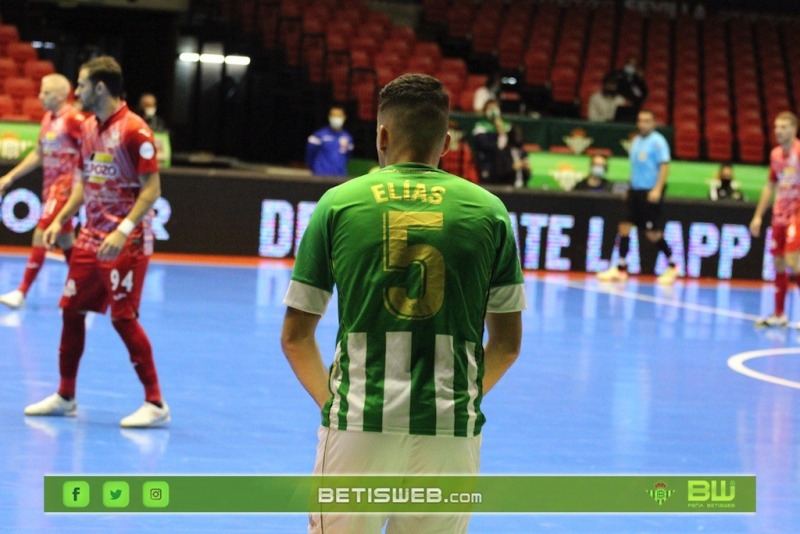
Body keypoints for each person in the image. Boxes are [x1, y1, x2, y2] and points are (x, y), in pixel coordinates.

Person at [281, 73, 525, 533]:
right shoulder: (489, 211)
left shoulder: (338, 204)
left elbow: (295, 338)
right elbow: (507, 345)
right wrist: (456, 399)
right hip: (450, 431)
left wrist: (334, 402)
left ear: (382, 136)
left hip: (359, 421)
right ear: (447, 142)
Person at [24, 56, 169, 428]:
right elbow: (83, 184)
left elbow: (152, 190)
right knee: (71, 311)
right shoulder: (88, 127)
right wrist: (60, 219)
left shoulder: (136, 131)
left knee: (123, 319)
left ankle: (155, 403)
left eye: (83, 84)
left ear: (100, 88)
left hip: (127, 242)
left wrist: (123, 230)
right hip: (90, 238)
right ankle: (65, 395)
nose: (78, 90)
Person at [0, 74, 87, 309]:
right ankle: (85, 290)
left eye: (45, 93)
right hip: (50, 187)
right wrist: (10, 176)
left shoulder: (74, 119)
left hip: (66, 187)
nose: (39, 97)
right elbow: (38, 154)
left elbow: (91, 147)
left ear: (60, 95)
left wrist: (85, 184)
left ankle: (21, 292)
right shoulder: (48, 118)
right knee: (66, 240)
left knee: (42, 233)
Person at [597, 109, 679, 284]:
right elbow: (636, 168)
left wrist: (657, 189)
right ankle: (620, 269)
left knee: (652, 233)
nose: (643, 124)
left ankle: (673, 266)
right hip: (635, 190)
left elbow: (664, 166)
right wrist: (630, 187)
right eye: (640, 120)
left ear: (654, 122)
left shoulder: (658, 142)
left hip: (650, 191)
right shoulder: (635, 141)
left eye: (647, 120)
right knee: (624, 226)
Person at [749, 112, 800, 327]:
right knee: (778, 263)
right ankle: (779, 314)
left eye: (784, 127)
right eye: (776, 127)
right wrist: (758, 216)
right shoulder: (775, 154)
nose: (779, 131)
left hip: (797, 213)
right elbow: (770, 185)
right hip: (779, 214)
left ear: (794, 129)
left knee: (792, 260)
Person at [472, 99, 513, 184]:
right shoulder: (480, 128)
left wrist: (501, 131)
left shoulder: (507, 127)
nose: (493, 111)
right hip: (488, 166)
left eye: (495, 108)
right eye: (490, 108)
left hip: (505, 168)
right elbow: (485, 146)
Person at [305, 106, 353, 177]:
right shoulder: (318, 135)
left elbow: (348, 156)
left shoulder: (348, 137)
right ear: (329, 117)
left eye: (339, 116)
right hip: (321, 175)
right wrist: (314, 169)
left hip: (340, 176)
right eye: (334, 115)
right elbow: (310, 154)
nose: (336, 118)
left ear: (344, 117)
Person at [611, 55, 648, 120]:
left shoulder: (637, 79)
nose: (631, 66)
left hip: (634, 105)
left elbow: (642, 93)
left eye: (634, 65)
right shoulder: (618, 74)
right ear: (626, 64)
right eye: (630, 64)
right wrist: (624, 99)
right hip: (618, 101)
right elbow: (612, 88)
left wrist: (640, 80)